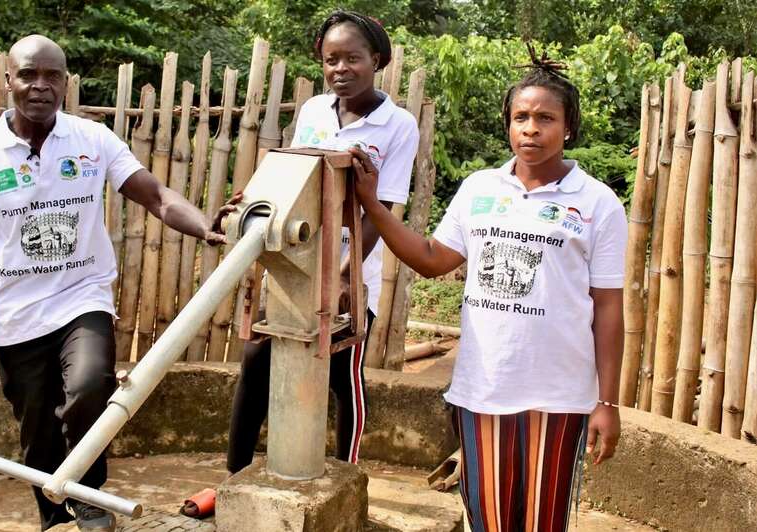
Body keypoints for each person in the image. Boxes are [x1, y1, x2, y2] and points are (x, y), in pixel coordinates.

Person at [0, 35, 233, 532]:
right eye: (29, 75)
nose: (41, 86)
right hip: (17, 314)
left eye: (52, 76)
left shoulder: (92, 140)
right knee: (36, 431)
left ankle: (90, 498)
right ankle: (53, 518)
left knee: (88, 387)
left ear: (66, 83)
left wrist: (204, 224)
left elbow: (156, 195)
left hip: (83, 297)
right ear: (8, 81)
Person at [350, 46, 626, 531]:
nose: (531, 129)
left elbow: (607, 307)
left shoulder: (598, 203)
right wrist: (373, 204)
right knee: (490, 519)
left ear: (569, 127)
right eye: (521, 116)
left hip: (560, 394)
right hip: (483, 388)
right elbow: (434, 259)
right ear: (507, 123)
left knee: (542, 522)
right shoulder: (480, 189)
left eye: (545, 118)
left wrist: (607, 403)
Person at [181, 9, 420, 518]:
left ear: (376, 60)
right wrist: (249, 203)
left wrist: (342, 279)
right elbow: (290, 177)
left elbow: (383, 210)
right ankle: (230, 479)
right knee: (254, 364)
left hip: (348, 277)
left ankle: (347, 479)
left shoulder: (398, 125)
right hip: (294, 268)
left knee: (341, 378)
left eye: (353, 58)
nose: (341, 69)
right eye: (332, 59)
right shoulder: (314, 110)